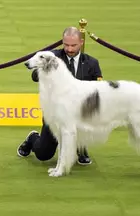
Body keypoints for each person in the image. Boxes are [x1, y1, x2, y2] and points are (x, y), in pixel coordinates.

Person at [17, 26, 103, 166]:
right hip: (55, 114)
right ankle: (33, 138)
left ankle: (80, 147)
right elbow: (34, 77)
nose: (69, 49)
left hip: (79, 113)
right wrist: (45, 70)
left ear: (81, 42)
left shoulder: (92, 63)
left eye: (73, 45)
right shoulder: (52, 57)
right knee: (43, 155)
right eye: (66, 45)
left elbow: (97, 90)